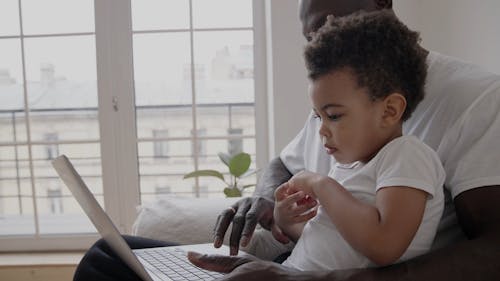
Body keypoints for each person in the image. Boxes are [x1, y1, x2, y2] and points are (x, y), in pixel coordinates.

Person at [74, 0, 500, 280]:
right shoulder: (341, 107)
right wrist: (272, 207)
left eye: (335, 26)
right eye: (312, 36)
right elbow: (287, 166)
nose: (324, 45)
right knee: (108, 258)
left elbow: (488, 248)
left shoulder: (471, 100)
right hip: (294, 267)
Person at [272, 10, 445, 270]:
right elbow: (329, 243)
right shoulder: (348, 168)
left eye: (334, 116)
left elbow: (383, 245)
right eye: (318, 117)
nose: (321, 130)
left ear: (389, 111)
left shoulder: (407, 155)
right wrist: (287, 221)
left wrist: (320, 183)